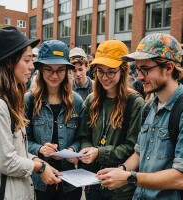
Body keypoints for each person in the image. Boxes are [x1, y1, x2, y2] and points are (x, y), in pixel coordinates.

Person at [97, 33, 183, 200]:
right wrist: (120, 170)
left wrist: (130, 178)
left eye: (146, 69)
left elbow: (180, 178)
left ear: (169, 68)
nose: (139, 77)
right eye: (137, 70)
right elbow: (139, 153)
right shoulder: (149, 107)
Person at [0, 26, 61, 200]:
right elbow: (6, 162)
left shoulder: (7, 99)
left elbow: (16, 151)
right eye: (26, 60)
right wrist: (39, 168)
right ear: (9, 62)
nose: (32, 66)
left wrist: (39, 162)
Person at [78, 39, 145, 200]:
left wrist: (99, 152)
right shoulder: (91, 100)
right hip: (92, 181)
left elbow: (133, 147)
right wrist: (86, 150)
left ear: (123, 71)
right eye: (100, 71)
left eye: (111, 72)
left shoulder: (135, 103)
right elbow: (84, 136)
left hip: (120, 189)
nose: (104, 77)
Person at [25, 40, 84, 200]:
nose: (54, 75)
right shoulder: (29, 100)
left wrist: (73, 151)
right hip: (40, 181)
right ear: (41, 70)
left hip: (70, 182)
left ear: (66, 71)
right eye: (48, 70)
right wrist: (39, 149)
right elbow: (22, 141)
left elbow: (83, 138)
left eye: (60, 70)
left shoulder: (77, 101)